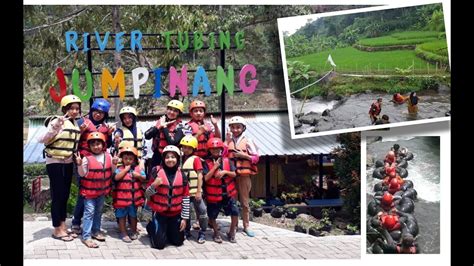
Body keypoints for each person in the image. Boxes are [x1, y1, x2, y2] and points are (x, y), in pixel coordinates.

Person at [38, 94, 82, 242]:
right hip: (54, 162)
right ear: (65, 109)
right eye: (71, 108)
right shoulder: (57, 121)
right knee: (57, 195)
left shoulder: (75, 124)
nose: (75, 111)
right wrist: (56, 125)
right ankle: (57, 229)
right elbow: (41, 139)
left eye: (77, 109)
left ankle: (63, 225)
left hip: (68, 163)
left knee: (65, 194)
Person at [71, 98, 114, 236]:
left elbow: (109, 144)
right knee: (83, 194)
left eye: (101, 113)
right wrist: (80, 131)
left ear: (105, 114)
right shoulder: (81, 122)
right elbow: (72, 140)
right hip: (82, 162)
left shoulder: (106, 127)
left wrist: (113, 135)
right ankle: (76, 222)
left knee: (98, 194)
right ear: (92, 110)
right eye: (96, 111)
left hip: (98, 163)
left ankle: (94, 227)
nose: (98, 114)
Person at [75, 132, 116, 248]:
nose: (96, 146)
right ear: (89, 146)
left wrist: (114, 163)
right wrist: (79, 164)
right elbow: (82, 173)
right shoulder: (86, 159)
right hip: (89, 193)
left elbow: (112, 171)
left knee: (98, 212)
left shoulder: (109, 156)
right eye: (93, 144)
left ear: (103, 145)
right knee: (89, 213)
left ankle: (96, 231)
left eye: (98, 144)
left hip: (101, 192)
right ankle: (86, 236)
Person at [145, 145, 190, 249]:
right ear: (163, 159)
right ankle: (151, 227)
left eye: (173, 157)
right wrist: (154, 185)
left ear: (178, 159)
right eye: (167, 157)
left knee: (178, 242)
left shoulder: (182, 175)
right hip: (160, 214)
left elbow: (186, 198)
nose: (170, 160)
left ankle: (167, 230)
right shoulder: (156, 172)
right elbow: (147, 194)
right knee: (159, 245)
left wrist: (184, 218)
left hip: (175, 214)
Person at [225, 116, 259, 237]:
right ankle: (233, 226)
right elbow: (224, 155)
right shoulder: (228, 140)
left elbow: (256, 158)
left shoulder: (248, 140)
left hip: (243, 176)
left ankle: (246, 225)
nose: (235, 130)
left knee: (244, 202)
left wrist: (244, 156)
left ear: (243, 128)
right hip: (231, 175)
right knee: (232, 202)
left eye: (238, 127)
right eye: (233, 127)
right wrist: (227, 141)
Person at [203, 138, 239, 243]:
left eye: (217, 149)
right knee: (212, 215)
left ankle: (232, 232)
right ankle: (216, 233)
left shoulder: (228, 160)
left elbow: (234, 174)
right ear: (209, 150)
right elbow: (205, 178)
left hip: (228, 193)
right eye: (213, 149)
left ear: (221, 149)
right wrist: (214, 167)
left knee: (235, 212)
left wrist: (225, 172)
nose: (215, 151)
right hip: (213, 195)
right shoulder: (206, 163)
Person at [112, 145, 146, 243]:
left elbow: (144, 178)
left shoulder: (138, 169)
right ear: (122, 159)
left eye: (130, 159)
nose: (128, 161)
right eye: (125, 158)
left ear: (134, 159)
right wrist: (125, 170)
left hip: (133, 200)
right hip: (121, 199)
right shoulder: (119, 169)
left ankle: (133, 231)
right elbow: (116, 178)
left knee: (133, 216)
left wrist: (138, 175)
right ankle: (123, 232)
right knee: (121, 217)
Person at [180, 135, 208, 243]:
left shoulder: (196, 159)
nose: (186, 149)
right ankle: (186, 231)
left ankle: (202, 232)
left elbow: (200, 175)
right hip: (185, 193)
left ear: (193, 149)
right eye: (184, 147)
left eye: (188, 147)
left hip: (195, 192)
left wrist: (198, 191)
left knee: (202, 211)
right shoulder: (180, 159)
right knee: (185, 213)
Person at [145, 99, 186, 169]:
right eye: (170, 109)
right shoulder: (160, 122)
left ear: (179, 113)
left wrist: (164, 127)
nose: (172, 112)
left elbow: (172, 143)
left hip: (172, 157)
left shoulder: (180, 126)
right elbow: (147, 135)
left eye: (175, 111)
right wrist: (159, 126)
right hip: (158, 155)